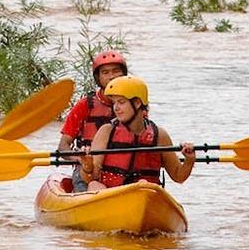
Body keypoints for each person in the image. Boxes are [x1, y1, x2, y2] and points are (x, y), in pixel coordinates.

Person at [80, 75, 196, 191]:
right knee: (94, 185)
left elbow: (178, 176)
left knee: (143, 184)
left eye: (121, 102)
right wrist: (87, 165)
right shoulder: (106, 132)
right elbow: (91, 177)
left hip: (145, 193)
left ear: (137, 103)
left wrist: (189, 160)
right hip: (112, 196)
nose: (116, 108)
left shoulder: (159, 135)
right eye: (114, 103)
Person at [56, 49, 128, 192]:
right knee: (84, 183)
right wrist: (79, 158)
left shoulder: (134, 105)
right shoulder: (85, 105)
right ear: (98, 77)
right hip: (87, 169)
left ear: (123, 74)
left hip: (123, 168)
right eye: (105, 72)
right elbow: (63, 147)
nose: (111, 77)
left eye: (115, 71)